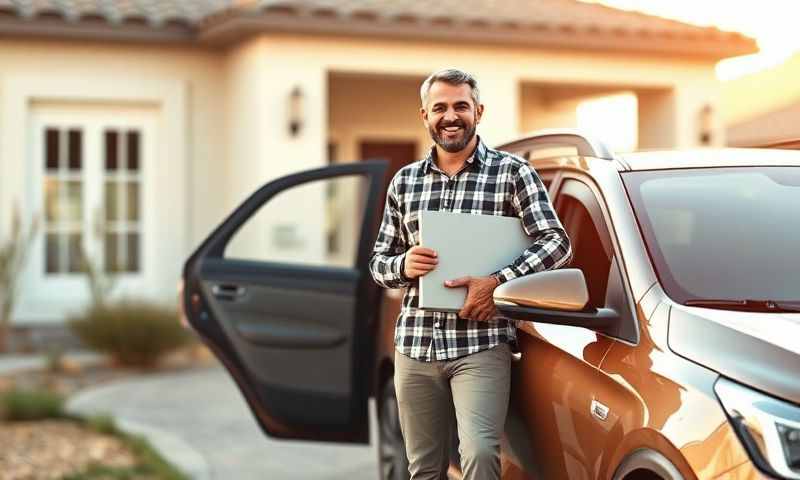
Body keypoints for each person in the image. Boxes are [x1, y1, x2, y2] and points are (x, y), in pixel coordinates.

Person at [368, 68, 572, 480]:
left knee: (479, 454)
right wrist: (402, 265)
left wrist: (499, 281)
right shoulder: (404, 182)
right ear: (424, 116)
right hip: (415, 345)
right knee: (423, 467)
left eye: (461, 105)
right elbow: (378, 263)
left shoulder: (513, 173)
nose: (451, 115)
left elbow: (557, 243)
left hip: (480, 343)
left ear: (478, 111)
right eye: (439, 107)